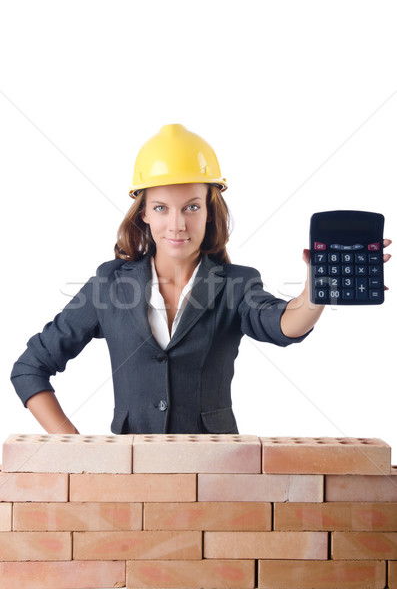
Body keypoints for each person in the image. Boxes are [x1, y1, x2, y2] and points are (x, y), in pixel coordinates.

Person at [10, 124, 392, 435]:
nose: (177, 224)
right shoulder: (109, 286)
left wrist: (318, 287)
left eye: (191, 207)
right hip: (129, 474)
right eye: (161, 208)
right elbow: (29, 368)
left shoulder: (237, 284)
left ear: (210, 211)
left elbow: (284, 326)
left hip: (218, 474)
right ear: (143, 213)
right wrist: (73, 445)